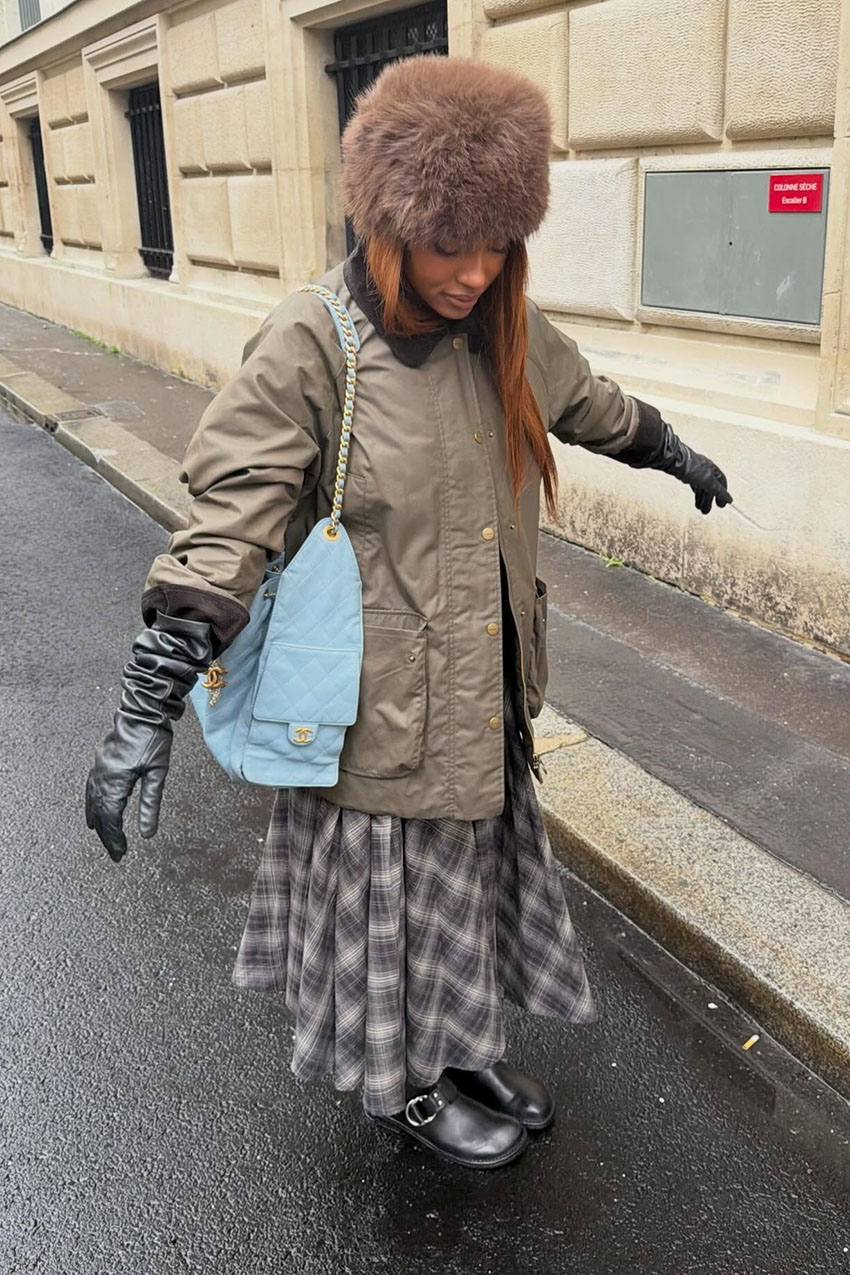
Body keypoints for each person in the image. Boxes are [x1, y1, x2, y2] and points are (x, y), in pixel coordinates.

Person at [85, 55, 732, 1170]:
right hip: (378, 714)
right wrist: (143, 707)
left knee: (465, 897)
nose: (475, 271)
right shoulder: (316, 339)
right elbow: (231, 519)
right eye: (448, 244)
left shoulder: (499, 327)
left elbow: (585, 400)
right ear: (390, 226)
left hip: (482, 692)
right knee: (397, 910)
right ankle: (405, 1088)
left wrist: (674, 452)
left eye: (497, 244)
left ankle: (459, 1047)